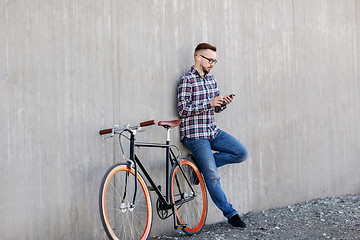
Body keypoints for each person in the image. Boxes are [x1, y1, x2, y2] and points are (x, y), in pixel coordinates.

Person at [177, 42, 248, 228]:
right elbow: (183, 110)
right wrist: (208, 104)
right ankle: (231, 214)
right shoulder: (187, 80)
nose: (212, 64)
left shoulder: (211, 79)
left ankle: (197, 165)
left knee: (241, 153)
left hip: (212, 130)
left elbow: (216, 108)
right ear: (198, 57)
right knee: (212, 176)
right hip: (195, 134)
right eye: (210, 60)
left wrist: (222, 103)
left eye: (215, 61)